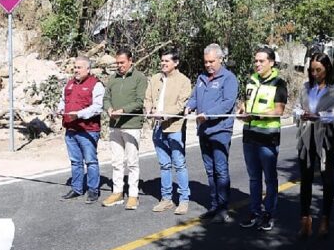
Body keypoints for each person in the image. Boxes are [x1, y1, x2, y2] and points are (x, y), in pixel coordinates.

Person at [294, 52, 334, 239]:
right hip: (307, 136)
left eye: (319, 70)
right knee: (306, 179)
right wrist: (301, 112)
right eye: (312, 70)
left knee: (327, 179)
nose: (315, 73)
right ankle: (305, 219)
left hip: (327, 138)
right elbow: (296, 107)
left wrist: (320, 116)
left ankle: (325, 219)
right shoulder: (306, 88)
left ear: (327, 69)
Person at [186, 44, 239, 223]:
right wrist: (188, 106)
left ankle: (224, 208)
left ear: (220, 59)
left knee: (221, 170)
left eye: (211, 61)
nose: (208, 65)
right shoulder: (201, 78)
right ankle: (214, 204)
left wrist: (207, 115)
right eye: (206, 62)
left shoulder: (229, 78)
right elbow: (194, 97)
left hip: (220, 130)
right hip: (204, 130)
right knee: (210, 170)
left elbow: (227, 103)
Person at [238, 47, 288, 232]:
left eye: (261, 61)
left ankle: (269, 213)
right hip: (249, 136)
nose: (257, 64)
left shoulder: (279, 83)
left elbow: (279, 110)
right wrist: (241, 111)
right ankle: (254, 211)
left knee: (270, 178)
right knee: (253, 178)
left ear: (271, 62)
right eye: (256, 61)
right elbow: (245, 103)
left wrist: (255, 116)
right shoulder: (251, 81)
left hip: (268, 138)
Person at [144, 48, 192, 214]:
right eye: (162, 61)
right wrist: (149, 110)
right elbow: (148, 98)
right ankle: (166, 199)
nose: (163, 63)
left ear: (176, 63)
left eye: (167, 61)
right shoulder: (154, 79)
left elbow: (181, 105)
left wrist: (164, 114)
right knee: (164, 165)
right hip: (157, 128)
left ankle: (184, 200)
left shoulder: (184, 81)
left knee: (179, 164)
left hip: (175, 128)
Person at [102, 48, 148, 210]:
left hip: (132, 125)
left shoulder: (139, 78)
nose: (119, 66)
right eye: (117, 63)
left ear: (130, 61)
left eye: (122, 63)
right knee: (116, 161)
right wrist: (108, 109)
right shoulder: (113, 78)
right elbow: (106, 98)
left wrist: (122, 110)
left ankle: (133, 195)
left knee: (132, 162)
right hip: (114, 126)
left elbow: (139, 101)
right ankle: (117, 192)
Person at [57, 56, 104, 204]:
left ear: (88, 69)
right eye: (75, 67)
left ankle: (93, 190)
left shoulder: (96, 85)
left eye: (79, 67)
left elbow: (98, 107)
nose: (76, 70)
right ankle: (77, 188)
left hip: (88, 130)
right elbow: (63, 101)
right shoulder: (69, 84)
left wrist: (78, 114)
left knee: (90, 161)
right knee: (75, 161)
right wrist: (60, 109)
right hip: (71, 130)